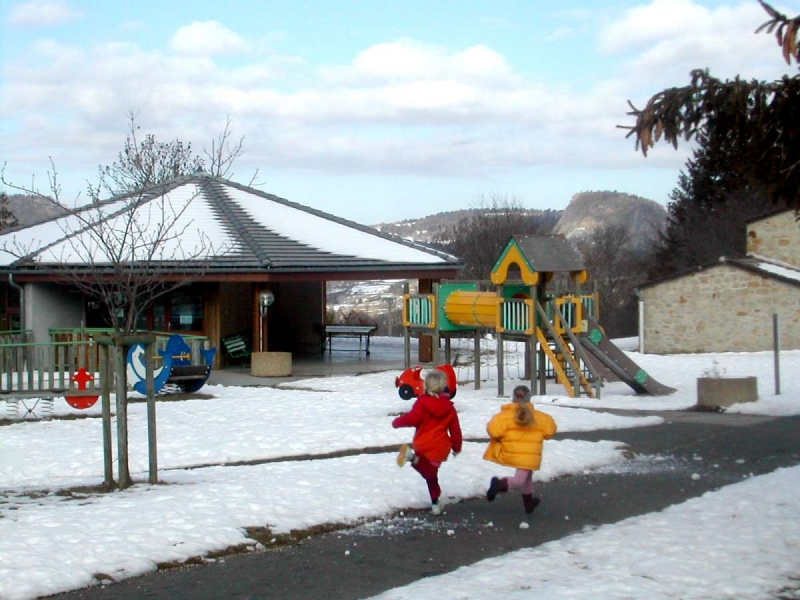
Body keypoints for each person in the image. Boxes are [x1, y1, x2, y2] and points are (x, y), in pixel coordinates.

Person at [393, 369, 462, 515]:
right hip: (440, 447)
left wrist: (397, 422)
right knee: (431, 474)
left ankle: (413, 459)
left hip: (422, 445)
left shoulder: (422, 403)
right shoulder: (449, 408)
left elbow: (413, 418)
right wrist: (457, 447)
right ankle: (435, 502)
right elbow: (455, 431)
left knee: (430, 475)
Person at [483, 385, 557, 514]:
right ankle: (499, 485)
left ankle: (529, 504)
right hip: (530, 454)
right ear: (529, 398)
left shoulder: (503, 417)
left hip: (511, 452)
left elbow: (493, 431)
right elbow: (550, 432)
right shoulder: (542, 418)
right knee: (520, 480)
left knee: (527, 478)